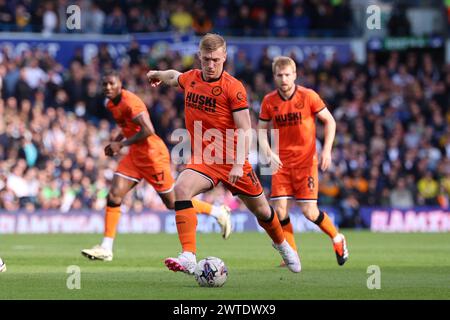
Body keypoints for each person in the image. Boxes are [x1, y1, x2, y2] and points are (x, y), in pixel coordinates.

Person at [147, 33, 301, 274]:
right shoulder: (192, 78)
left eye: (216, 60)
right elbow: (174, 76)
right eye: (206, 59)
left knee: (262, 210)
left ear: (224, 57)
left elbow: (245, 130)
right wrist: (157, 74)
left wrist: (239, 165)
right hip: (205, 160)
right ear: (199, 56)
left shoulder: (233, 88)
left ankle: (283, 245)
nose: (210, 65)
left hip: (233, 161)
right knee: (181, 189)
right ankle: (188, 255)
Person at [81, 71, 232, 262]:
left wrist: (121, 145)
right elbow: (127, 126)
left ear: (121, 84)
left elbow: (148, 130)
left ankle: (218, 212)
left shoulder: (131, 102)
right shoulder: (112, 104)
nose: (108, 88)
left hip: (153, 155)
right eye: (105, 85)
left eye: (111, 83)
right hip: (135, 156)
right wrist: (118, 140)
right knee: (114, 194)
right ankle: (106, 247)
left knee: (173, 202)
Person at [258, 56, 349, 266]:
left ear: (295, 75)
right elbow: (261, 131)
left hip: (306, 163)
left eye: (287, 75)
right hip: (281, 163)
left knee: (309, 212)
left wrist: (327, 151)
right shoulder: (269, 101)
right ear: (274, 77)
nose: (284, 79)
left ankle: (337, 237)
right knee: (279, 210)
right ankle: (292, 254)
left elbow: (330, 121)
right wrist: (269, 152)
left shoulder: (308, 96)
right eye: (279, 75)